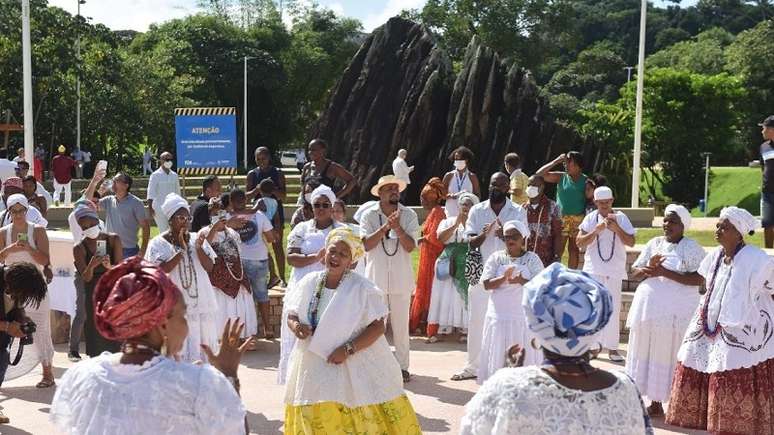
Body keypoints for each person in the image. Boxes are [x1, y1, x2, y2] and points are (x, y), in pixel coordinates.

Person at [50, 258, 250, 434]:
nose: (187, 326)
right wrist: (227, 375)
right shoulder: (197, 383)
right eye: (183, 316)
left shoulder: (81, 377)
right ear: (162, 324)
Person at [460, 263, 654, 435]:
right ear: (597, 323)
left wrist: (513, 376)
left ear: (535, 325)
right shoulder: (625, 389)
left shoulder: (506, 387)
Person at [283, 227, 422, 434]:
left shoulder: (362, 289)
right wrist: (296, 326)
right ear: (324, 252)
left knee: (357, 407)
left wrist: (348, 349)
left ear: (352, 261)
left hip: (354, 362)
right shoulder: (309, 283)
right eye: (332, 251)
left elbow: (378, 327)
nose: (335, 257)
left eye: (343, 254)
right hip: (312, 362)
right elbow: (292, 314)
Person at [666, 207, 774, 434]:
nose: (718, 230)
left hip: (742, 327)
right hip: (711, 322)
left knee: (731, 366)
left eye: (725, 227)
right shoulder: (715, 255)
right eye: (718, 225)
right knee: (692, 356)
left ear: (739, 233)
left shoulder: (757, 259)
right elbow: (707, 284)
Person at [626, 204, 705, 417]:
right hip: (649, 310)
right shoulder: (654, 243)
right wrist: (648, 269)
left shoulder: (692, 248)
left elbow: (700, 278)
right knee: (648, 351)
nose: (667, 225)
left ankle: (674, 402)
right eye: (666, 221)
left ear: (682, 226)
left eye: (672, 222)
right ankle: (652, 401)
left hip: (676, 314)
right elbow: (634, 273)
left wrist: (665, 273)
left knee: (669, 352)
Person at [452, 172, 526, 381]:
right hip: (481, 275)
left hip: (510, 278)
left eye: (501, 186)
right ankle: (473, 367)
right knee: (476, 321)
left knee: (508, 322)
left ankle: (506, 367)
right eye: (493, 185)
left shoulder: (517, 211)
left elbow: (523, 241)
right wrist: (485, 234)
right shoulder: (477, 210)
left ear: (507, 189)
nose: (496, 189)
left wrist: (503, 233)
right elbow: (470, 242)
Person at [144, 193, 220, 363]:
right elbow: (159, 271)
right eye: (181, 217)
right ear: (170, 220)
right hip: (176, 307)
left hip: (200, 303)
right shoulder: (157, 243)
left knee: (202, 349)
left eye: (188, 217)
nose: (185, 221)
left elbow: (210, 267)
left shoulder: (196, 239)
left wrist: (199, 248)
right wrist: (181, 251)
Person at [279, 184, 343, 384]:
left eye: (325, 204)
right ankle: (299, 380)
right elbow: (290, 257)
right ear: (311, 206)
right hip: (303, 287)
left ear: (332, 207)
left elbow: (354, 259)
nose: (321, 208)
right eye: (317, 205)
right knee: (302, 330)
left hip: (333, 287)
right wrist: (315, 258)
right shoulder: (301, 228)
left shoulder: (342, 230)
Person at [361, 175, 421, 382]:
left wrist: (397, 227)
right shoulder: (368, 215)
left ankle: (403, 367)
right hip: (375, 280)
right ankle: (377, 366)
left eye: (396, 188)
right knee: (375, 327)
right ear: (380, 193)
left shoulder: (409, 214)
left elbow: (411, 246)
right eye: (389, 189)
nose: (394, 191)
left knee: (401, 328)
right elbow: (366, 245)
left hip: (401, 280)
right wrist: (385, 227)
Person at [478, 220, 544, 383]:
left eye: (514, 236)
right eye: (507, 237)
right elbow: (486, 284)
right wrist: (503, 278)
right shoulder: (496, 258)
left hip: (523, 317)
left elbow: (541, 287)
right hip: (499, 316)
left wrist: (522, 281)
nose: (510, 240)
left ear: (523, 238)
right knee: (499, 351)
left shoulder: (532, 259)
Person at [0, 194, 54, 389]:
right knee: (8, 330)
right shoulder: (3, 232)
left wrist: (30, 248)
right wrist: (10, 249)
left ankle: (48, 373)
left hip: (35, 287)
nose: (18, 215)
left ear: (26, 210)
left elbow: (45, 260)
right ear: (9, 212)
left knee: (41, 330)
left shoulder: (38, 230)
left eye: (21, 210)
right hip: (11, 290)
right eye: (13, 211)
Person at [576, 186, 636, 362]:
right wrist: (596, 230)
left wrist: (616, 228)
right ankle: (593, 347)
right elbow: (579, 242)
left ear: (612, 201)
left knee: (613, 308)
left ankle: (612, 348)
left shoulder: (621, 218)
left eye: (607, 202)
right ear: (595, 202)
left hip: (614, 270)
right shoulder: (590, 218)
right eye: (600, 203)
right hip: (593, 269)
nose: (604, 205)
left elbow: (631, 242)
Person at [204, 199, 258, 347]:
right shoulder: (204, 232)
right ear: (210, 215)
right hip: (218, 280)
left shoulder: (233, 233)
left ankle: (241, 337)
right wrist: (214, 229)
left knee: (241, 303)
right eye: (215, 213)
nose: (218, 215)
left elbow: (238, 253)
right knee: (223, 306)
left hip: (237, 274)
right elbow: (203, 249)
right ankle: (223, 338)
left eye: (220, 212)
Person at [72, 204, 123, 359]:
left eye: (92, 224)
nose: (89, 228)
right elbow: (86, 277)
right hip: (92, 291)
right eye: (85, 227)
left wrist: (109, 267)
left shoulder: (113, 239)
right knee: (94, 328)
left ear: (97, 220)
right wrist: (92, 265)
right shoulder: (79, 248)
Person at [0, 262, 48, 424]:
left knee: (1, 362)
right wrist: (6, 326)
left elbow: (17, 307)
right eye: (23, 292)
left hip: (1, 341)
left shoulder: (14, 285)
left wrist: (23, 319)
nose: (22, 296)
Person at [427, 192, 476, 343]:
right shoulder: (448, 222)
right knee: (445, 293)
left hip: (466, 260)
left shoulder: (476, 223)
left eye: (468, 204)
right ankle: (444, 328)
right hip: (447, 259)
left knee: (462, 296)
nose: (465, 207)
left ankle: (465, 329)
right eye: (463, 204)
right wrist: (456, 224)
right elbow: (441, 238)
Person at [229, 189, 275, 339]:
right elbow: (271, 238)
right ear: (245, 200)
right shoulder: (259, 216)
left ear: (231, 202)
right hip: (259, 260)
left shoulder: (229, 218)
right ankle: (268, 328)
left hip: (238, 262)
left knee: (243, 298)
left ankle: (248, 332)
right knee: (262, 295)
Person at [536, 151, 587, 269]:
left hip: (578, 219)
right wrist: (556, 161)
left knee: (573, 250)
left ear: (578, 165)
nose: (566, 165)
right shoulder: (561, 177)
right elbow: (539, 174)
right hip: (561, 218)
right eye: (565, 163)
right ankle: (556, 274)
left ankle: (571, 275)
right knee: (557, 250)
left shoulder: (585, 181)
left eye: (570, 162)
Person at [409, 177, 447, 334]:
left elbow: (437, 238)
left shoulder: (438, 213)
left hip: (433, 256)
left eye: (423, 198)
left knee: (429, 288)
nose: (421, 201)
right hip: (427, 255)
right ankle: (422, 321)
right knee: (423, 288)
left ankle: (426, 321)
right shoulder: (434, 212)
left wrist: (421, 239)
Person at [246, 147, 287, 285]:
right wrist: (258, 188)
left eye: (263, 158)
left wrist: (271, 188)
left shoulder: (278, 173)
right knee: (263, 247)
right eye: (258, 159)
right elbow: (246, 198)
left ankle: (283, 279)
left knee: (277, 246)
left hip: (275, 213)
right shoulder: (252, 174)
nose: (260, 162)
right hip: (258, 215)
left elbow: (284, 197)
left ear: (269, 158)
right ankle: (273, 276)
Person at [87, 172, 149, 259]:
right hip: (106, 247)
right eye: (113, 179)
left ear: (126, 185)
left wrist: (142, 251)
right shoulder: (108, 200)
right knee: (101, 271)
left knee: (126, 273)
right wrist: (100, 191)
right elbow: (88, 205)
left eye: (117, 180)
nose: (113, 182)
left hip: (128, 250)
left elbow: (145, 227)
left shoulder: (136, 203)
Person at [522, 175, 562, 266]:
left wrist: (556, 257)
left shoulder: (553, 207)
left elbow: (558, 234)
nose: (530, 188)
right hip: (525, 260)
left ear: (542, 187)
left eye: (534, 185)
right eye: (529, 185)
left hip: (546, 260)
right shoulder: (522, 208)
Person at [147, 151, 181, 232]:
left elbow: (178, 192)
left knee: (172, 231)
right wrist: (150, 208)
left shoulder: (175, 175)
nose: (168, 161)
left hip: (172, 208)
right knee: (163, 232)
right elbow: (151, 192)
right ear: (161, 160)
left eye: (170, 159)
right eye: (166, 159)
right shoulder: (155, 175)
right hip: (159, 209)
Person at [442, 146, 481, 218]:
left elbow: (477, 195)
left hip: (467, 213)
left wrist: (468, 197)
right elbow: (441, 194)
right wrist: (450, 195)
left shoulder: (472, 177)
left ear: (466, 160)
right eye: (455, 159)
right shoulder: (449, 175)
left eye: (459, 159)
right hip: (451, 212)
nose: (456, 161)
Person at [331, 199, 365, 275]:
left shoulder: (357, 229)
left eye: (338, 211)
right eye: (332, 211)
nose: (335, 214)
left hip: (356, 271)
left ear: (344, 213)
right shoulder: (325, 231)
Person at [760, 115, 774, 248]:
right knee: (767, 225)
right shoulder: (763, 147)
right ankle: (769, 256)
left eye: (763, 128)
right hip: (767, 193)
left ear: (771, 129)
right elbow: (763, 167)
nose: (762, 131)